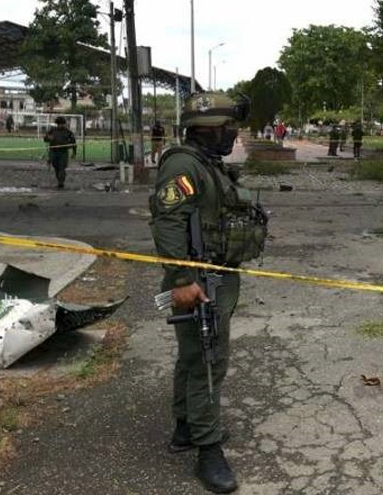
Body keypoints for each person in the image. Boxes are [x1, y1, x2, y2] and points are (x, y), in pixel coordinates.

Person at [150, 92, 262, 494]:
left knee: (194, 356)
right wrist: (182, 280)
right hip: (198, 281)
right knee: (209, 362)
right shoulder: (183, 165)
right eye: (228, 128)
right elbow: (167, 222)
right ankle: (207, 450)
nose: (233, 135)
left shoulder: (205, 164)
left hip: (212, 275)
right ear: (209, 129)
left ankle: (185, 427)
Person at [43, 117, 76, 189]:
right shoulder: (52, 130)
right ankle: (59, 180)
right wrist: (48, 138)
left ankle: (61, 183)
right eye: (59, 124)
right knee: (56, 167)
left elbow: (73, 142)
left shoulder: (68, 132)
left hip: (63, 152)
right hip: (53, 151)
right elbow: (45, 139)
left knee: (62, 167)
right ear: (57, 124)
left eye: (62, 124)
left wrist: (74, 152)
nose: (61, 126)